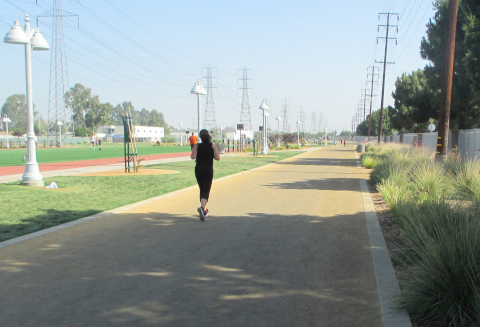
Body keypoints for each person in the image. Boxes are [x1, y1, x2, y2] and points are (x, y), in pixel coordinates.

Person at [191, 129, 220, 221]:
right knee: (206, 189)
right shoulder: (212, 146)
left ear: (200, 137)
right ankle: (202, 208)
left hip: (199, 169)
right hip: (208, 168)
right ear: (208, 136)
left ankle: (204, 210)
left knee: (202, 188)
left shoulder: (197, 146)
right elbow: (217, 158)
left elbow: (193, 157)